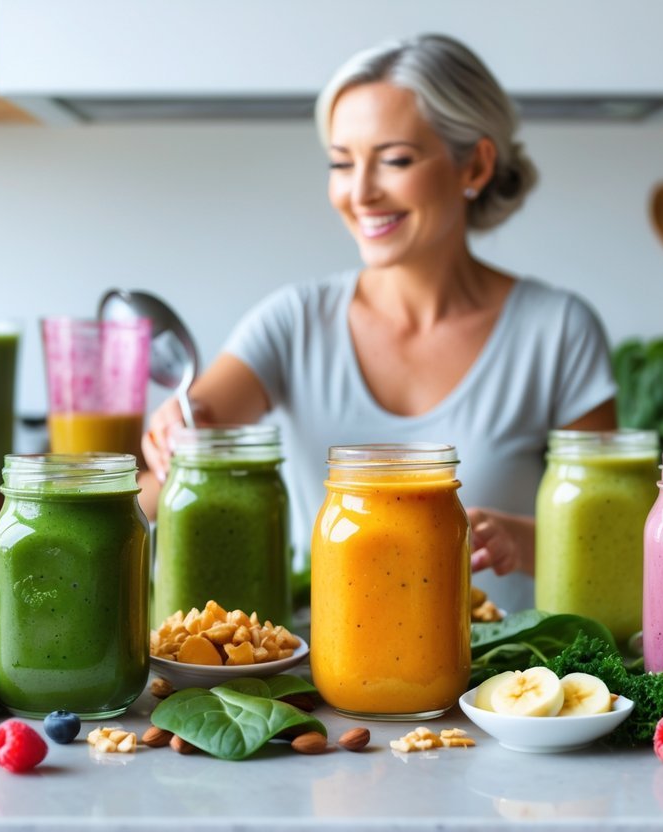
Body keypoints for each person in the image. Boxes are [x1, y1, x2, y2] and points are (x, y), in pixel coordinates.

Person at [140, 33, 616, 614]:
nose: (359, 192)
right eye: (342, 163)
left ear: (477, 163)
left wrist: (522, 535)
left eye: (394, 160)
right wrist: (173, 440)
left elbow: (614, 538)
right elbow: (171, 472)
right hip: (327, 678)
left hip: (504, 686)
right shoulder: (292, 323)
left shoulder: (559, 331)